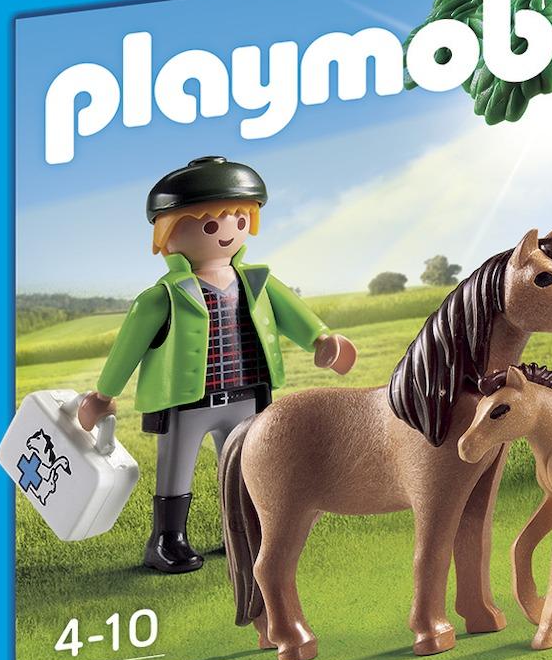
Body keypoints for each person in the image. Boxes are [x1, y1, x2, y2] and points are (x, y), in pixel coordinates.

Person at [77, 157, 357, 573]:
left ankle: (241, 532)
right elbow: (127, 348)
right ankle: (167, 539)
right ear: (168, 233)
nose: (228, 231)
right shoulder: (163, 296)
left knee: (244, 466)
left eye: (240, 220)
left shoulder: (256, 281)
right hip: (186, 401)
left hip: (246, 394)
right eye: (210, 225)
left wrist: (322, 340)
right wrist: (104, 395)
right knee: (177, 467)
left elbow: (294, 315)